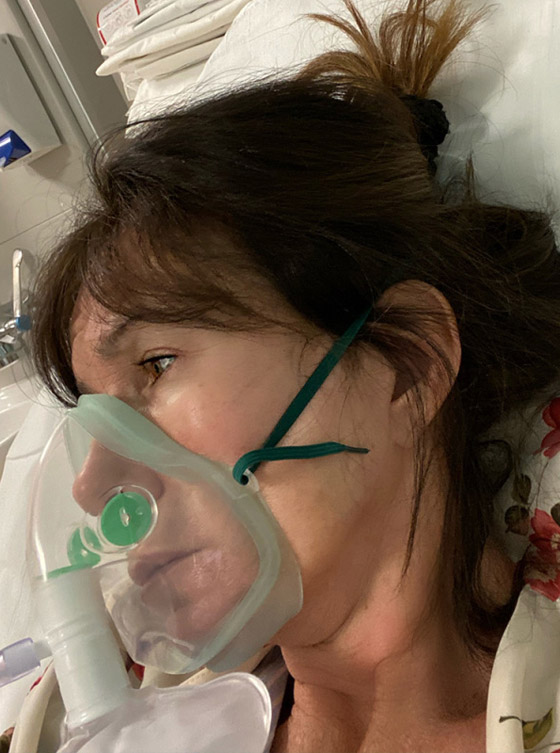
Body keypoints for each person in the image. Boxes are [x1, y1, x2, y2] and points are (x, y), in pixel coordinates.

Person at [14, 0, 560, 751]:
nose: (89, 483)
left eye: (156, 364)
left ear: (407, 363)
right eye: (91, 412)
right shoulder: (91, 722)